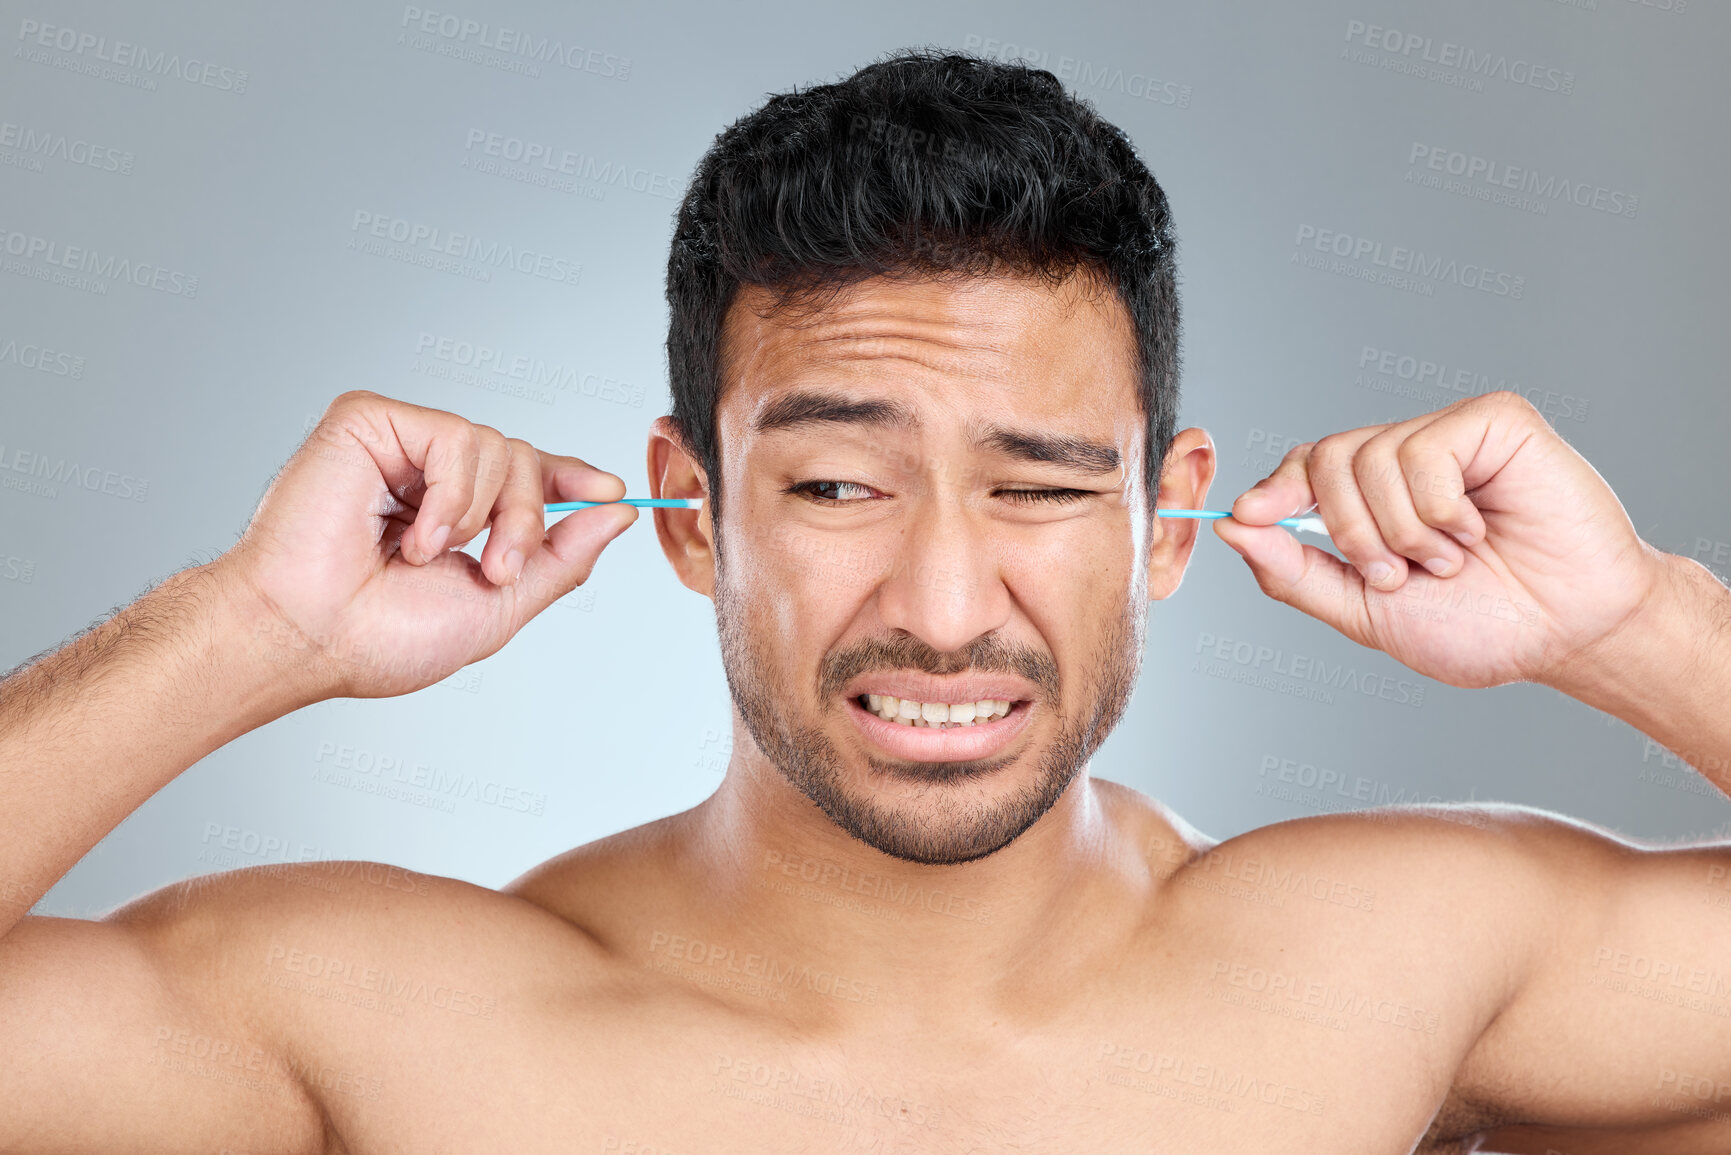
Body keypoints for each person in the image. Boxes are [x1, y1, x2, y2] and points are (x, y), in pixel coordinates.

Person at [3, 48, 1728, 1154]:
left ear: (1169, 516)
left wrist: (1627, 618)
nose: (946, 600)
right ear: (690, 513)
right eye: (836, 484)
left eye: (1044, 486)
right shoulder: (391, 1022)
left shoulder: (1398, 966)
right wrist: (243, 629)